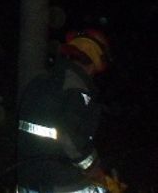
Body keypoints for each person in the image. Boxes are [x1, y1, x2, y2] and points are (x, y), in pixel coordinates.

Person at [16, 29, 125, 192]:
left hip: (27, 181)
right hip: (60, 182)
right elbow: (69, 135)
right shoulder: (76, 88)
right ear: (95, 62)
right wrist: (95, 170)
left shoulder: (41, 81)